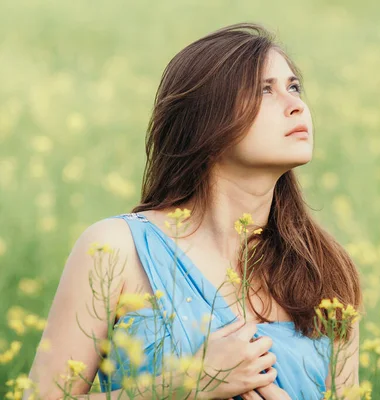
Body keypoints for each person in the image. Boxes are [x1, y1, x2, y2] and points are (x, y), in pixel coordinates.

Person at [25, 22, 362, 400]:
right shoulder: (117, 249)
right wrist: (188, 385)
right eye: (264, 90)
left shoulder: (324, 271)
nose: (296, 105)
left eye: (294, 86)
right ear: (206, 120)